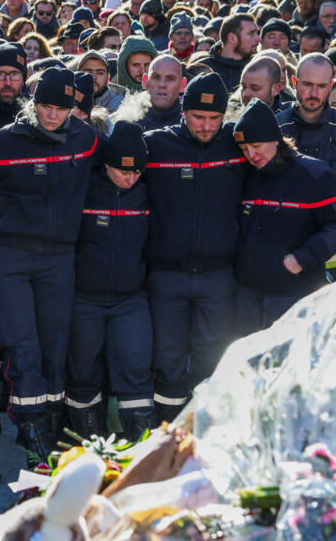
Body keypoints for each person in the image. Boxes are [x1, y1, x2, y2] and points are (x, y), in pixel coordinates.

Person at [0, 67, 101, 466]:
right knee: (21, 344)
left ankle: (49, 426)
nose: (52, 115)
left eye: (61, 108)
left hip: (59, 257)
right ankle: (32, 440)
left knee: (54, 345)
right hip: (9, 254)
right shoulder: (1, 142)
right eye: (45, 106)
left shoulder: (85, 140)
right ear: (33, 103)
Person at [143, 73, 247, 423]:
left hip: (218, 275)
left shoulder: (236, 145)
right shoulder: (155, 144)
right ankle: (166, 436)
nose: (206, 126)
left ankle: (205, 436)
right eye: (198, 117)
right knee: (167, 361)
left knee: (211, 361)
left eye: (214, 118)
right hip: (166, 274)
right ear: (183, 112)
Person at [232, 99, 336, 335]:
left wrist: (302, 258)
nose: (251, 155)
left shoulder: (314, 174)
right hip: (248, 298)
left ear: (275, 139)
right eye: (245, 149)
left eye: (256, 145)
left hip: (294, 295)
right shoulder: (248, 175)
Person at [66, 121, 154, 441]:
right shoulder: (84, 189)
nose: (131, 178)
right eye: (122, 171)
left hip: (130, 300)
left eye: (137, 173)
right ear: (106, 164)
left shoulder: (147, 192)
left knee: (135, 369)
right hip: (84, 300)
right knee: (83, 373)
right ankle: (91, 446)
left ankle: (140, 449)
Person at [277, 54, 336, 274]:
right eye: (307, 84)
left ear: (330, 86)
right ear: (294, 82)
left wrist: (326, 240)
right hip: (285, 257)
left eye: (321, 86)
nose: (313, 93)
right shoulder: (276, 128)